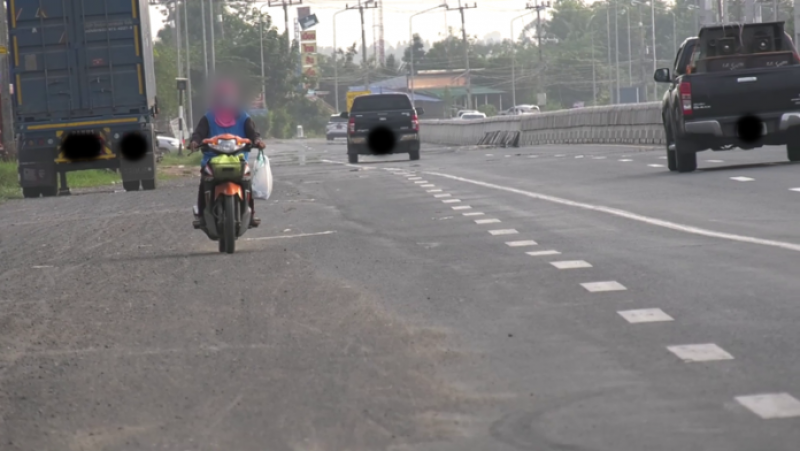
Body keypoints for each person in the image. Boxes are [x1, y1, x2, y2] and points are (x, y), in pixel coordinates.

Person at [190, 79, 265, 228]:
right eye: (222, 96)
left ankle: (251, 214)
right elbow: (199, 133)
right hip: (212, 160)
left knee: (246, 183)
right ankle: (201, 215)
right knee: (204, 182)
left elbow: (253, 133)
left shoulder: (243, 117)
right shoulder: (208, 117)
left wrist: (257, 141)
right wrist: (194, 142)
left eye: (229, 96)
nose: (226, 100)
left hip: (238, 160)